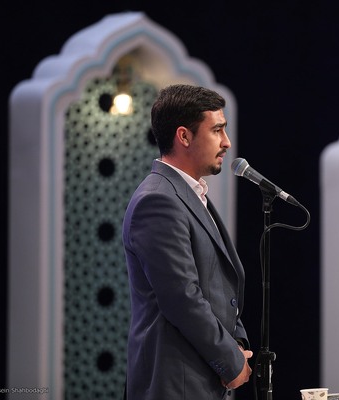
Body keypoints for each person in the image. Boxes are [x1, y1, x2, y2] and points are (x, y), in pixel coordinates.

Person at [122, 84, 253, 399]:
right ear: (184, 136)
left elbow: (218, 289)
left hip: (201, 380)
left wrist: (237, 344)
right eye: (217, 130)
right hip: (175, 384)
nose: (226, 142)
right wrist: (231, 361)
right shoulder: (157, 200)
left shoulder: (187, 194)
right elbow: (182, 297)